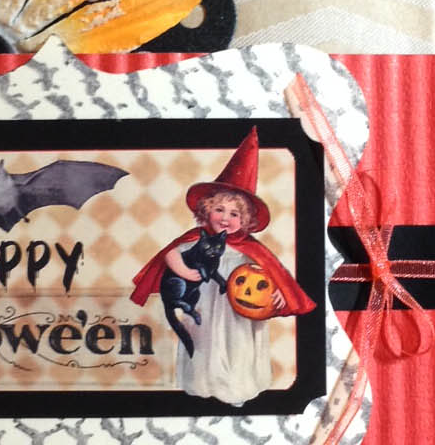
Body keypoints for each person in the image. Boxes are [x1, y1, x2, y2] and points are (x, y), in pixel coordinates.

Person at [131, 128, 316, 404]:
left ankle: (238, 386)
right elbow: (170, 254)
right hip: (205, 302)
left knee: (238, 342)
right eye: (219, 210)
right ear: (207, 210)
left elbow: (270, 274)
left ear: (247, 220)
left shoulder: (252, 248)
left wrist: (279, 291)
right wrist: (184, 271)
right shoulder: (197, 239)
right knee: (204, 340)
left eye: (234, 213)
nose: (225, 218)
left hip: (240, 309)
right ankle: (202, 385)